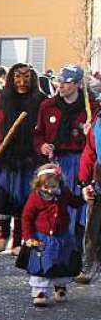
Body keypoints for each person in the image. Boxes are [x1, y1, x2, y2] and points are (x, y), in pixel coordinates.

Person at [0, 64, 45, 254]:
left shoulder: (40, 101)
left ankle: (18, 240)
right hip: (6, 157)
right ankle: (3, 234)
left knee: (24, 198)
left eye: (26, 78)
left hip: (30, 157)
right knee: (4, 194)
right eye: (17, 78)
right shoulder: (4, 101)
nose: (21, 82)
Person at [33, 65, 95, 239]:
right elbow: (38, 134)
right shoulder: (48, 106)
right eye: (58, 81)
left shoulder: (91, 107)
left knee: (82, 208)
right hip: (58, 163)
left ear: (77, 84)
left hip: (83, 163)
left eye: (65, 82)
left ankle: (80, 248)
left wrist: (91, 132)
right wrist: (43, 146)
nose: (60, 85)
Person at [20, 164, 84, 307]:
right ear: (39, 185)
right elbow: (26, 218)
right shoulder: (35, 198)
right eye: (46, 187)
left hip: (62, 237)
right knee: (42, 265)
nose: (50, 190)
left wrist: (85, 196)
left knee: (61, 262)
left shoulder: (64, 193)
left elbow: (75, 202)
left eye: (53, 186)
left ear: (59, 183)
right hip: (43, 238)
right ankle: (39, 291)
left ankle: (60, 287)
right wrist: (28, 236)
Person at [78, 109, 101, 283]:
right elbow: (90, 151)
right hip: (99, 181)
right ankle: (90, 264)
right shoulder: (98, 120)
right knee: (93, 229)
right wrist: (85, 182)